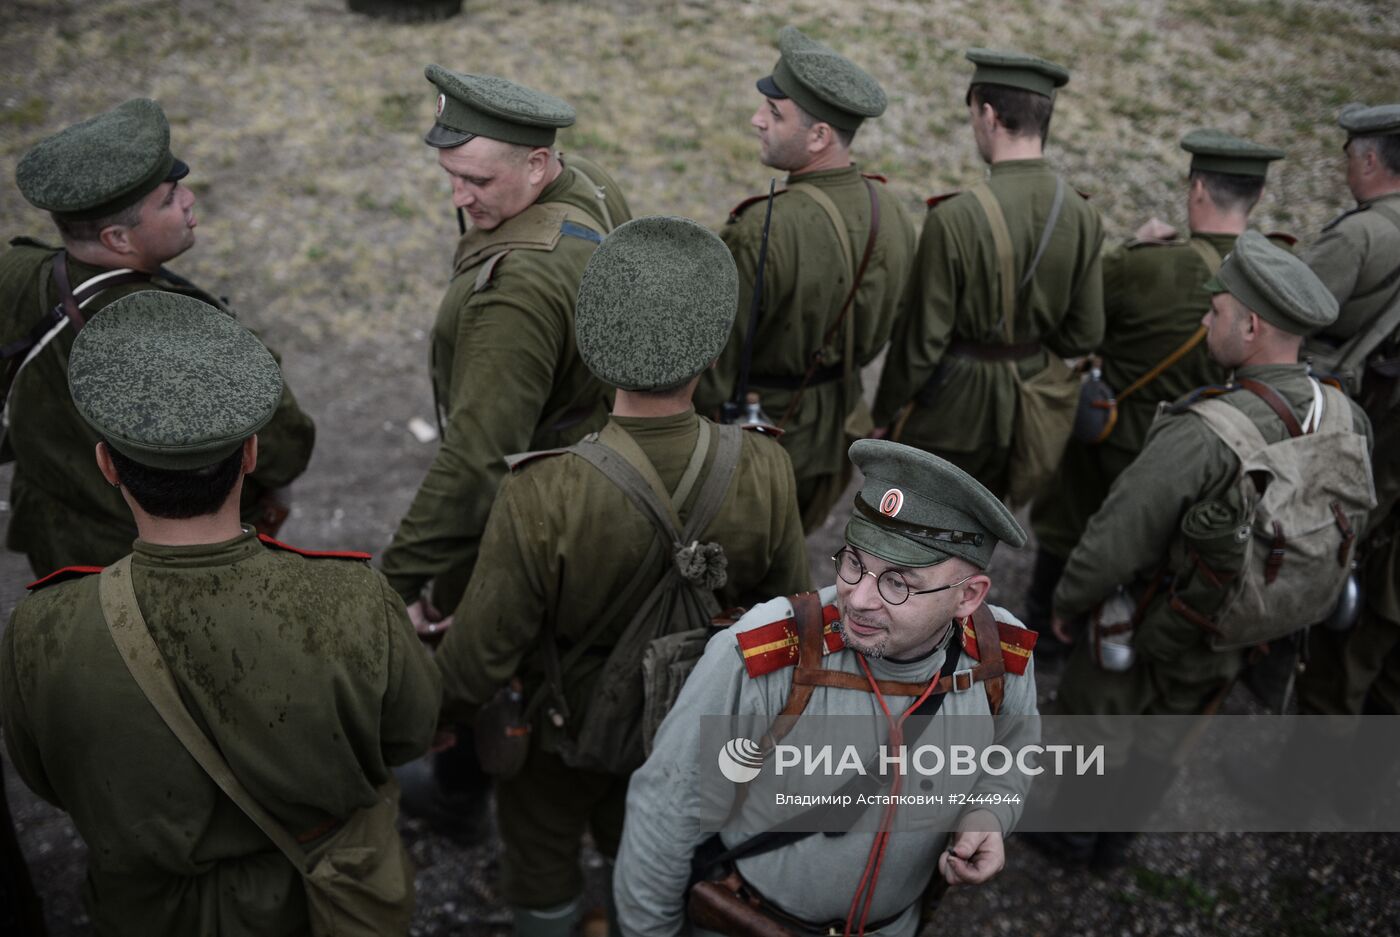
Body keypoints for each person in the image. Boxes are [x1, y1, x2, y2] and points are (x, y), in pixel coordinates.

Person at [0, 292, 440, 936]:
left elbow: (47, 778)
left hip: (151, 912)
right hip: (317, 903)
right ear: (252, 454)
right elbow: (407, 734)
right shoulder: (353, 602)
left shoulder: (42, 630)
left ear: (107, 468)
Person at [434, 215, 811, 937]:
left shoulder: (544, 489)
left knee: (541, 855)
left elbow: (483, 651)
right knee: (656, 851)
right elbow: (786, 621)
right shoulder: (765, 467)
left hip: (560, 723)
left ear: (592, 343)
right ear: (709, 349)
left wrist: (432, 717)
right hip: (693, 725)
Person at [1039, 232, 1371, 868]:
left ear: (1250, 327)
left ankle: (1071, 836)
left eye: (1215, 311)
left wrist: (1069, 601)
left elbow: (1118, 536)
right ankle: (1114, 845)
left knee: (1105, 715)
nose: (1204, 320)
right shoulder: (1345, 416)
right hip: (1252, 622)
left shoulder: (1207, 431)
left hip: (1165, 617)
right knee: (1174, 733)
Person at [615, 438, 1039, 937]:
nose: (857, 598)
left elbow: (1014, 750)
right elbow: (666, 810)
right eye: (854, 562)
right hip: (749, 922)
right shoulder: (768, 652)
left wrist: (991, 811)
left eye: (897, 582)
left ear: (968, 596)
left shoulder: (1000, 654)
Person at [0, 97, 316, 577]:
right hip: (157, 564)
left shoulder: (14, 273)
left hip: (56, 537)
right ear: (117, 240)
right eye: (168, 199)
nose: (189, 199)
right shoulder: (187, 337)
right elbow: (285, 447)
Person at [381, 66, 632, 627]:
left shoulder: (516, 290)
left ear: (537, 163)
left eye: (478, 181)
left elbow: (478, 463)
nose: (458, 195)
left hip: (534, 495)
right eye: (450, 175)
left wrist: (393, 581)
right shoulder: (589, 179)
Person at [1027, 129, 1286, 652]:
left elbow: (1080, 323)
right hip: (1222, 450)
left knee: (1070, 523)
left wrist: (1133, 247)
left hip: (1118, 443)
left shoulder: (1147, 264)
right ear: (1258, 197)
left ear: (1196, 191)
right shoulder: (1279, 280)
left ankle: (1051, 628)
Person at [692, 25, 916, 533]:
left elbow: (715, 360)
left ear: (819, 136)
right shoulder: (894, 215)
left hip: (759, 439)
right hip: (838, 436)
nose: (756, 120)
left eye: (774, 113)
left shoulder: (763, 229)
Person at [872, 48, 1104, 505]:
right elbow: (1085, 333)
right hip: (1029, 409)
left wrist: (884, 411)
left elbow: (921, 343)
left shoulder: (955, 217)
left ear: (990, 114)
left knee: (915, 534)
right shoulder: (1083, 216)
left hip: (952, 413)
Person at [1296, 103, 1400, 717]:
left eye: (1347, 156)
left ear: (1367, 159)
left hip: (1352, 414)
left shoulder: (1361, 234)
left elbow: (1295, 309)